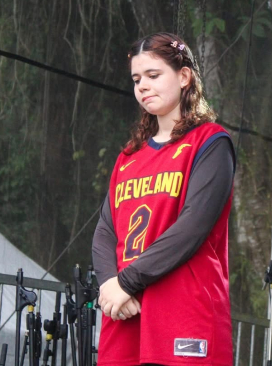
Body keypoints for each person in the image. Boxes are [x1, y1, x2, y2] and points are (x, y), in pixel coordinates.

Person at [92, 32, 235, 365]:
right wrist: (109, 286)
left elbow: (191, 228)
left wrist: (125, 282)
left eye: (153, 75)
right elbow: (105, 231)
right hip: (126, 310)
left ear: (184, 77)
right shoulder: (128, 157)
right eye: (136, 79)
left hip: (183, 310)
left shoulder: (211, 142)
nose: (143, 86)